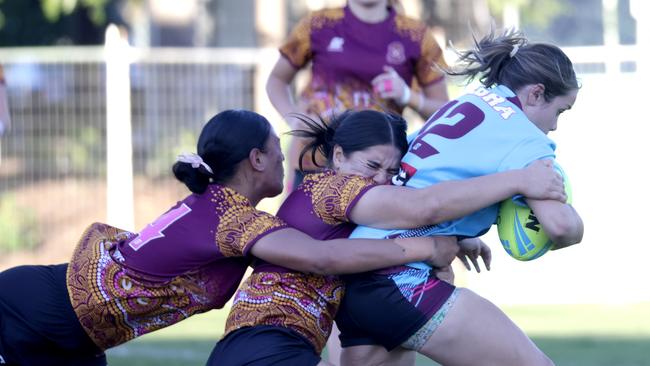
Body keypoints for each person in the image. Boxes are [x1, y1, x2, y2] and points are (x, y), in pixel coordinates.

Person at [0, 109, 453, 366]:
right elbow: (319, 258)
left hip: (74, 337)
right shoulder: (232, 219)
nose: (285, 163)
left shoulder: (216, 204)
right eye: (277, 154)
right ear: (256, 159)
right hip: (30, 313)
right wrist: (421, 247)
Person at [206, 110, 567, 366]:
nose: (381, 180)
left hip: (261, 342)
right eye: (372, 166)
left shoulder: (331, 197)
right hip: (269, 344)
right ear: (338, 155)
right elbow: (425, 206)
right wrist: (520, 180)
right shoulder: (334, 189)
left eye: (392, 171)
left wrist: (455, 243)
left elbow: (373, 236)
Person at [335, 29, 584, 366]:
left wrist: (458, 234)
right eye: (560, 111)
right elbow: (559, 227)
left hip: (360, 266)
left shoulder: (469, 101)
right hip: (398, 277)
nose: (554, 126)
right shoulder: (524, 136)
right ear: (536, 94)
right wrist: (575, 220)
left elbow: (425, 179)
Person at [266, 0, 450, 191]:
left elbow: (445, 113)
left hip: (377, 171)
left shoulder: (416, 35)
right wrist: (294, 120)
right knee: (298, 221)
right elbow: (276, 80)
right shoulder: (318, 24)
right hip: (314, 161)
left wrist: (406, 95)